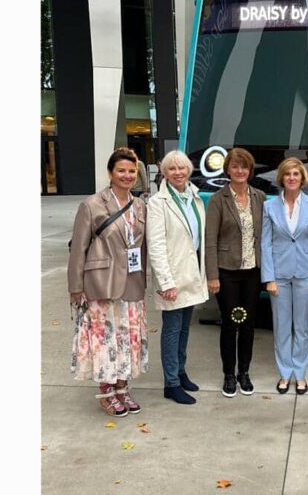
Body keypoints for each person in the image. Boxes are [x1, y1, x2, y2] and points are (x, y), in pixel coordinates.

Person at [68, 147, 148, 417]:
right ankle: (107, 392)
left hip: (132, 282)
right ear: (110, 173)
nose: (127, 175)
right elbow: (78, 248)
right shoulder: (92, 205)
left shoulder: (139, 205)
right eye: (121, 170)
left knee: (128, 338)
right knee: (106, 340)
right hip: (101, 282)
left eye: (132, 171)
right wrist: (75, 287)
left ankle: (123, 388)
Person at [146, 150, 209, 405]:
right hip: (172, 277)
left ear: (189, 170)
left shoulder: (193, 197)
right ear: (164, 172)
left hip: (191, 273)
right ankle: (170, 383)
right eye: (172, 169)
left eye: (182, 168)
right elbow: (156, 245)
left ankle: (181, 372)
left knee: (184, 328)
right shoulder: (157, 203)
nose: (178, 172)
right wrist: (166, 282)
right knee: (172, 330)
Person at [204, 148, 266, 398]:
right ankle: (229, 374)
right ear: (227, 169)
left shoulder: (260, 197)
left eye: (245, 167)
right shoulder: (219, 199)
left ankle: (244, 372)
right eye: (235, 166)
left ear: (250, 171)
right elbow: (210, 240)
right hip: (227, 272)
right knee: (231, 323)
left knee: (249, 324)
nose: (240, 171)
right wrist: (212, 275)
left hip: (252, 271)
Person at [261, 158, 308, 395]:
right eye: (288, 174)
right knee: (282, 325)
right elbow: (265, 244)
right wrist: (269, 277)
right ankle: (285, 373)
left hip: (305, 273)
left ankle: (301, 372)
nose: (292, 178)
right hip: (279, 274)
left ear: (302, 177)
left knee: (303, 326)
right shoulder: (269, 206)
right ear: (282, 178)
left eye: (296, 173)